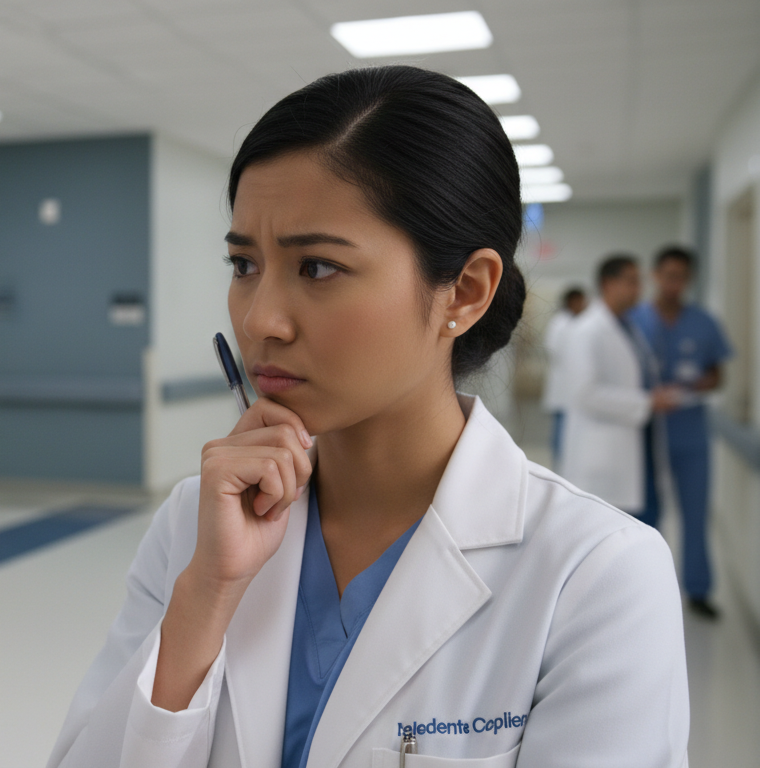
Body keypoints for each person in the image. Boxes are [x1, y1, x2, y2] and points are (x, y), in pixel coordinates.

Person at [47, 67, 687, 768]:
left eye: (317, 267)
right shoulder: (195, 526)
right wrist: (207, 595)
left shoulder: (596, 574)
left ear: (464, 292)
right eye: (243, 264)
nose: (260, 319)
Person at [630, 246, 731, 619]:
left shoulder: (703, 323)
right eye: (668, 276)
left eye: (681, 277)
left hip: (690, 433)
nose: (674, 284)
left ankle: (699, 589)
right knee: (645, 515)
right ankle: (644, 590)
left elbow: (720, 373)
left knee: (695, 510)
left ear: (689, 280)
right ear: (656, 276)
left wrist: (694, 386)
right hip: (645, 431)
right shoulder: (635, 319)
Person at [560, 256, 678, 517]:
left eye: (639, 282)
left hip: (636, 446)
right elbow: (584, 394)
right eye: (632, 282)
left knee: (645, 527)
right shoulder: (586, 330)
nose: (639, 290)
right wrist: (648, 402)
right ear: (607, 284)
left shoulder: (629, 327)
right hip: (605, 458)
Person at [541, 287, 587, 469]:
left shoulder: (580, 322)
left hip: (574, 386)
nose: (584, 304)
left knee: (571, 427)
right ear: (571, 302)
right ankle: (559, 462)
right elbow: (554, 350)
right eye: (580, 300)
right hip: (563, 387)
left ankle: (567, 460)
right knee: (561, 428)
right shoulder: (560, 323)